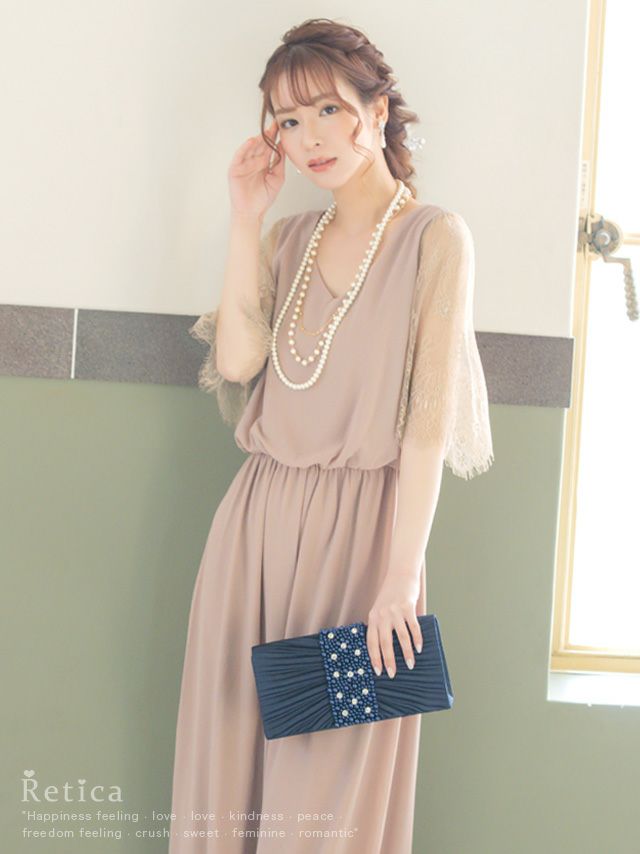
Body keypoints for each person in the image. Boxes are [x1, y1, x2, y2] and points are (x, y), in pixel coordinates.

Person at [169, 17, 494, 854]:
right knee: (228, 779)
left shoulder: (435, 239)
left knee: (323, 812)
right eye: (287, 119)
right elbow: (238, 362)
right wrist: (246, 217)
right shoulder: (289, 240)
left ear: (376, 111)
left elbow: (426, 427)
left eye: (325, 110)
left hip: (363, 549)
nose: (307, 137)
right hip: (255, 534)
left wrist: (400, 579)